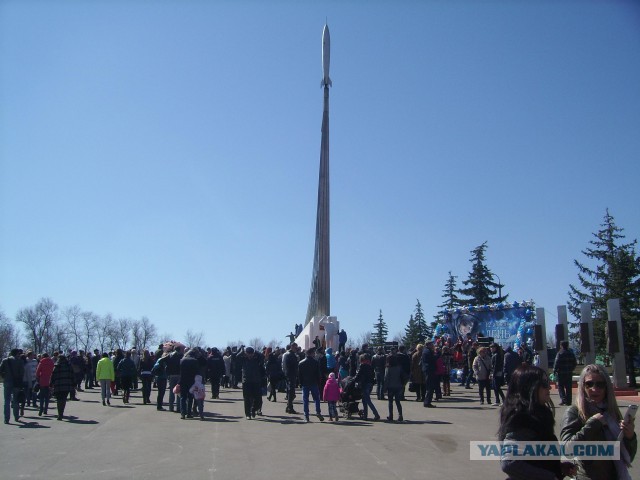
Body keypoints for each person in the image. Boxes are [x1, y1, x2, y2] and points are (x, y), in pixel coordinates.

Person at [498, 365, 576, 480]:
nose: (549, 387)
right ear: (529, 387)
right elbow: (510, 463)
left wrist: (558, 468)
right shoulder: (521, 419)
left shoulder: (539, 415)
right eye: (544, 384)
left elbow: (534, 460)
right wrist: (549, 476)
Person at [560, 364, 637, 480]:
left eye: (600, 385)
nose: (594, 389)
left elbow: (628, 457)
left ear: (607, 387)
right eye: (589, 384)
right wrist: (593, 424)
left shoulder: (611, 412)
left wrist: (630, 436)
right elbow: (567, 450)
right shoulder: (574, 412)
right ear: (582, 387)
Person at [298, 347, 325, 422]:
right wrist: (318, 382)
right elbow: (318, 374)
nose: (314, 354)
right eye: (313, 353)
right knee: (317, 399)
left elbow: (299, 375)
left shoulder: (301, 363)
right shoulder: (316, 362)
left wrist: (300, 383)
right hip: (314, 383)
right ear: (311, 353)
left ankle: (306, 415)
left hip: (305, 383)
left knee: (305, 400)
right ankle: (318, 412)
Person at [239, 347, 265, 420]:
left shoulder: (256, 359)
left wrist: (256, 351)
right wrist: (242, 351)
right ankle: (248, 414)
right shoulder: (243, 359)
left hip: (256, 381)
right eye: (248, 354)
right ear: (246, 353)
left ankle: (253, 409)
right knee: (247, 398)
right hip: (246, 381)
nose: (250, 355)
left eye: (251, 354)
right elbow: (236, 357)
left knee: (258, 399)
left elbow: (262, 356)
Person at [354, 353, 380, 421]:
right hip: (370, 384)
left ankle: (376, 414)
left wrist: (353, 379)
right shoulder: (370, 365)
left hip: (364, 384)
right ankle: (365, 415)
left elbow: (358, 375)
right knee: (364, 400)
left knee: (367, 400)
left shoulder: (362, 365)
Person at [1, 349, 25, 423]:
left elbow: (1, 370)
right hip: (16, 382)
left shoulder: (5, 360)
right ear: (17, 353)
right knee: (16, 400)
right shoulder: (20, 361)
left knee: (7, 401)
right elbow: (22, 373)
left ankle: (6, 418)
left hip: (7, 381)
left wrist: (4, 376)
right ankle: (16, 417)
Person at [50, 354, 75, 421]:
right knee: (63, 400)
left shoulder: (56, 366)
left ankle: (59, 414)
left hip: (58, 385)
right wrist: (73, 383)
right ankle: (61, 413)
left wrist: (51, 384)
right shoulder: (69, 366)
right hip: (66, 385)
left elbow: (53, 376)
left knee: (58, 400)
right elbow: (72, 375)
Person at [384, 353, 407, 422]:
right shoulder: (399, 367)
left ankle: (391, 415)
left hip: (390, 386)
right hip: (398, 386)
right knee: (398, 402)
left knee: (390, 402)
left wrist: (384, 388)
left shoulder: (388, 368)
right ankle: (400, 415)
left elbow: (386, 378)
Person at [553, 340, 577, 406]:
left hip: (561, 373)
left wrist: (554, 370)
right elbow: (575, 363)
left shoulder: (560, 353)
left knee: (560, 387)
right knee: (568, 387)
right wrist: (571, 369)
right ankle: (569, 401)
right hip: (569, 373)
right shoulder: (571, 353)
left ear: (561, 345)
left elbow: (556, 363)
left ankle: (563, 400)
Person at [282, 343, 299, 414]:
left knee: (290, 392)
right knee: (291, 392)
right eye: (295, 348)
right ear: (292, 347)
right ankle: (289, 407)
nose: (296, 349)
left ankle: (288, 406)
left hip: (287, 374)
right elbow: (294, 366)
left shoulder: (285, 354)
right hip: (291, 375)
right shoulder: (291, 355)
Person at [421, 342, 437, 408]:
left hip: (428, 370)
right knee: (430, 387)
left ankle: (427, 402)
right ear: (428, 345)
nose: (433, 345)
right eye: (431, 344)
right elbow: (432, 359)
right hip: (429, 370)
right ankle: (427, 402)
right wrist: (437, 354)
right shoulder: (427, 351)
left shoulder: (427, 351)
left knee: (430, 387)